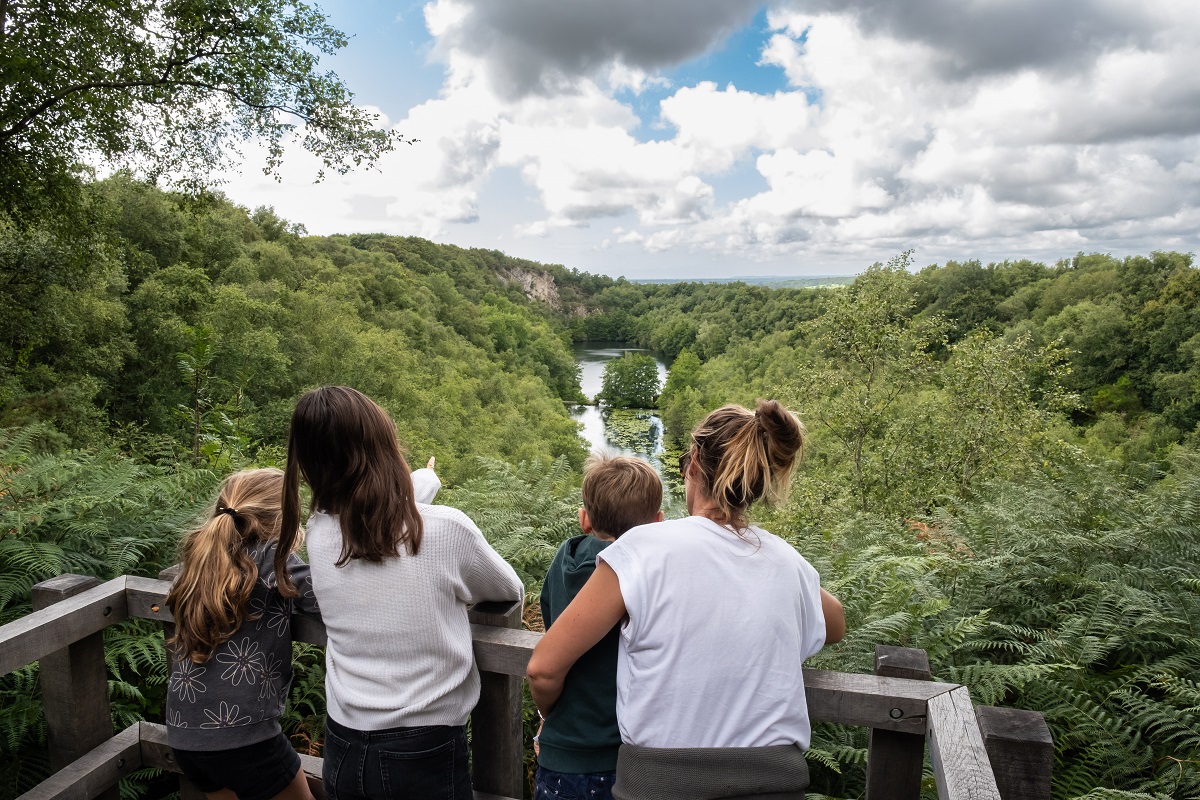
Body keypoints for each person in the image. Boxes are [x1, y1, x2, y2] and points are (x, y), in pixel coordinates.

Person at [527, 400, 846, 800]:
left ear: (694, 460)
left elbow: (544, 665)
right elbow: (835, 622)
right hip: (777, 784)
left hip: (661, 785)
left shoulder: (644, 549)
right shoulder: (785, 561)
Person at [278, 386, 523, 800]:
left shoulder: (319, 534)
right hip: (423, 748)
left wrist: (424, 482)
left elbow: (374, 520)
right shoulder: (447, 530)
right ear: (383, 448)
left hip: (343, 742)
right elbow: (507, 587)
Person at [164, 468, 320, 800]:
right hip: (245, 739)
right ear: (282, 519)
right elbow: (329, 598)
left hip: (184, 735)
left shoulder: (198, 559)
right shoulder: (273, 558)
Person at [535, 454, 664, 800]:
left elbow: (551, 627)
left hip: (563, 755)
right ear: (657, 523)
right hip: (629, 755)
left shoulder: (565, 558)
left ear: (585, 519)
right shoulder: (648, 574)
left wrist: (551, 714)